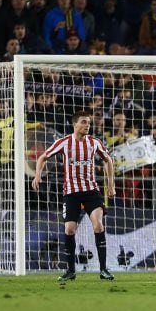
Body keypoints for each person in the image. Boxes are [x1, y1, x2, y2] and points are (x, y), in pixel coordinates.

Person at [31, 110, 116, 282]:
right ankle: (70, 270)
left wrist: (111, 185)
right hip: (71, 193)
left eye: (89, 123)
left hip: (91, 191)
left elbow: (108, 160)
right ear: (75, 124)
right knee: (69, 229)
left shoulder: (94, 142)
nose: (87, 125)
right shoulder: (63, 143)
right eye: (84, 122)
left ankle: (103, 269)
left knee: (98, 225)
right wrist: (38, 175)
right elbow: (42, 157)